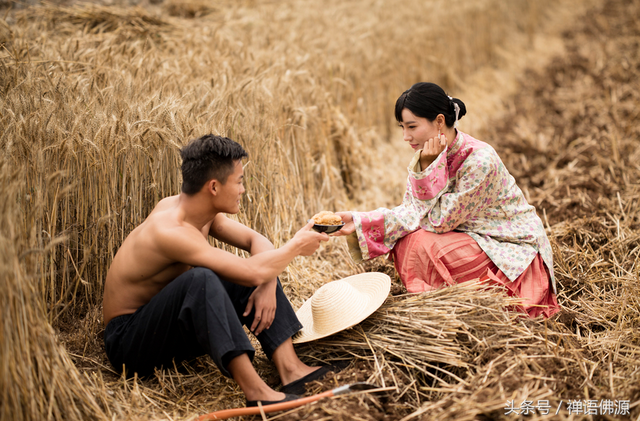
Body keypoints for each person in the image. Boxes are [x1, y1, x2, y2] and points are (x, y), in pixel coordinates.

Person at [102, 134, 335, 406]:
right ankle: (257, 393)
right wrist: (295, 247)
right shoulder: (170, 231)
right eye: (239, 181)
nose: (243, 190)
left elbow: (256, 241)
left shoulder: (197, 211)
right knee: (203, 279)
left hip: (170, 326)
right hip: (130, 342)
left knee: (250, 268)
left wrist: (267, 284)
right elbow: (250, 272)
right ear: (213, 187)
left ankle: (291, 369)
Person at [334, 82, 559, 318]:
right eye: (402, 127)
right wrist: (358, 221)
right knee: (408, 242)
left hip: (508, 248)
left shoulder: (480, 160)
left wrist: (426, 169)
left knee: (421, 245)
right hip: (469, 236)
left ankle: (445, 308)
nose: (405, 137)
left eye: (412, 126)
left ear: (439, 121)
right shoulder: (427, 157)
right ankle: (437, 303)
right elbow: (414, 211)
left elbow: (438, 221)